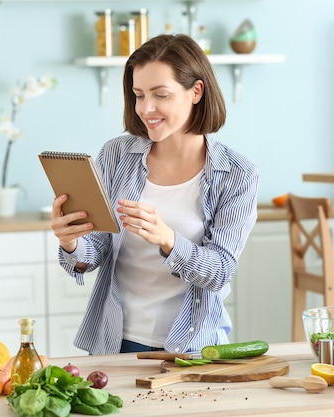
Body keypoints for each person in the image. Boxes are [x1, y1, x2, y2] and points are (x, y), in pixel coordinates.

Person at [50, 34, 259, 355]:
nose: (146, 108)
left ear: (196, 92)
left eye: (161, 95)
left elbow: (220, 271)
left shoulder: (236, 174)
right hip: (114, 341)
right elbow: (96, 250)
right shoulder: (116, 155)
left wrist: (168, 239)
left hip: (193, 348)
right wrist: (72, 243)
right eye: (138, 95)